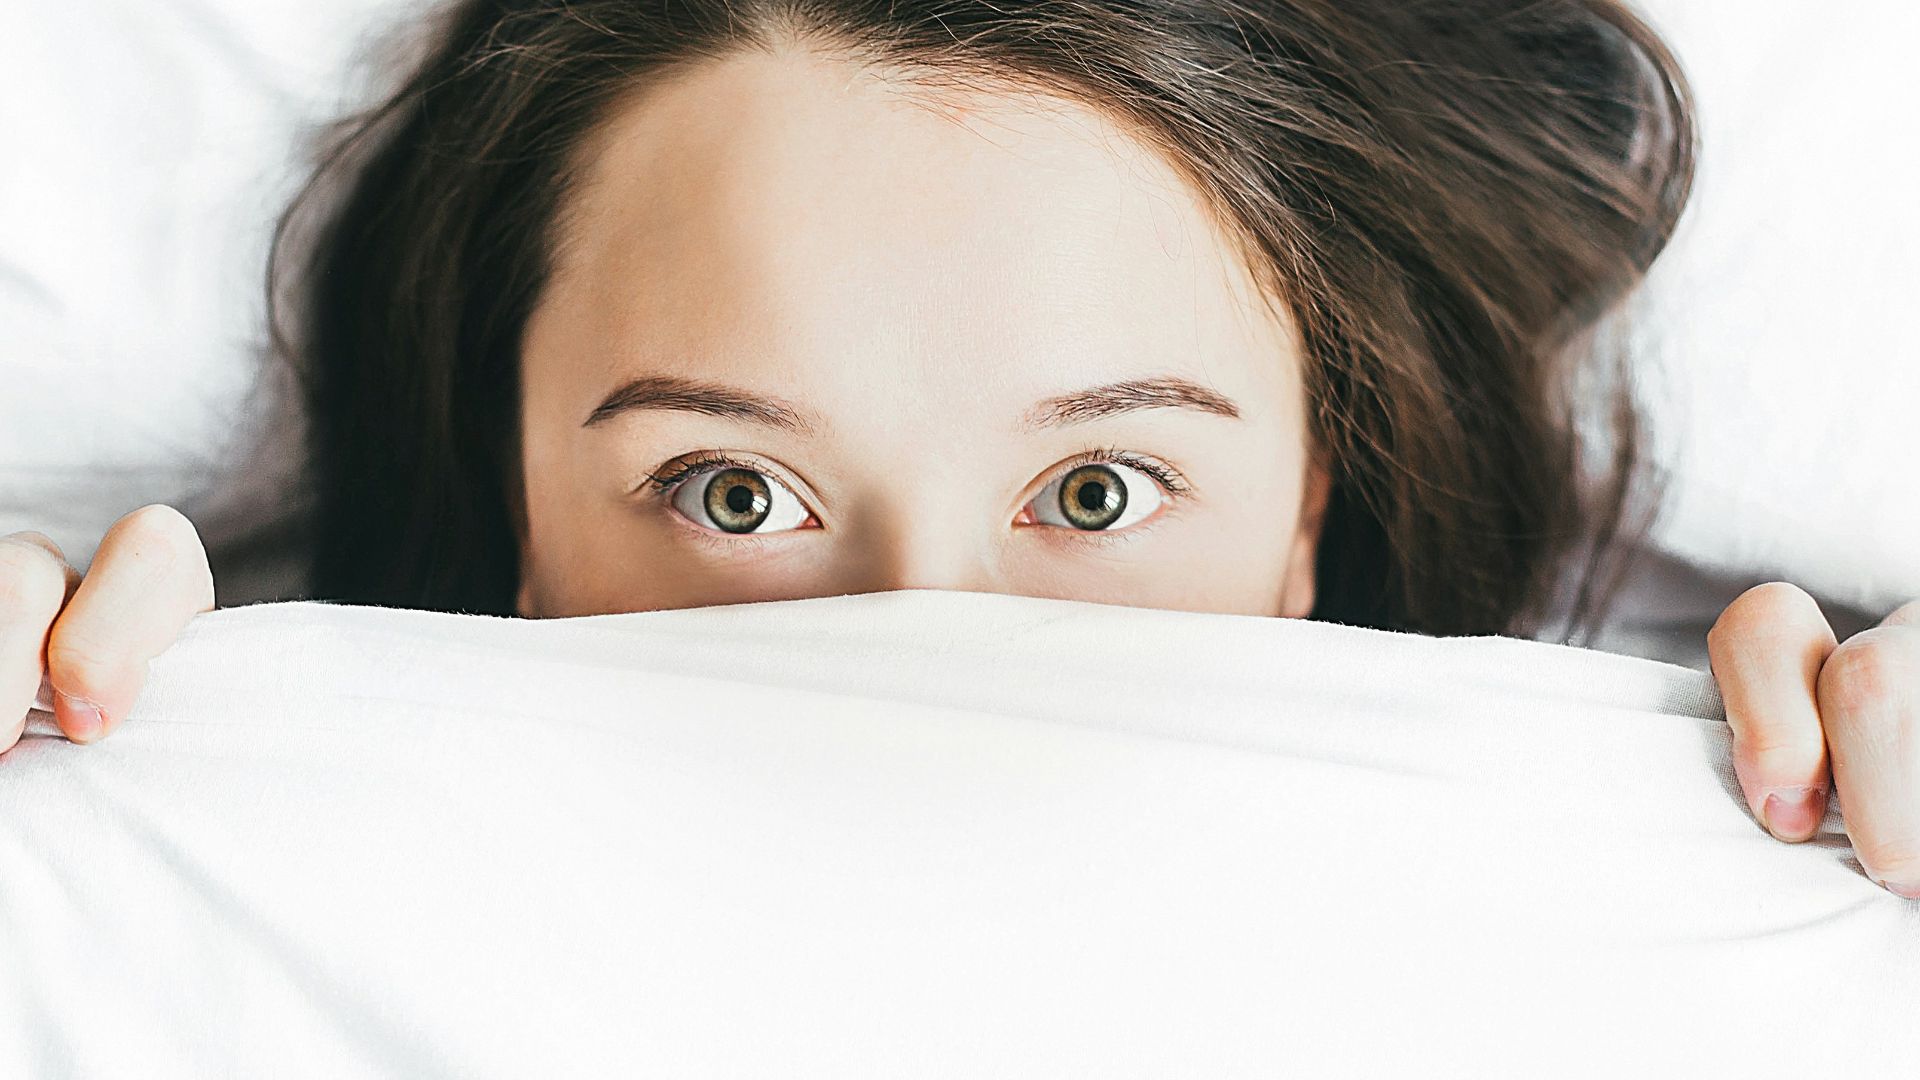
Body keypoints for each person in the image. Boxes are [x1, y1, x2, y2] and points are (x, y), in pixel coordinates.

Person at [0, 0, 1913, 897]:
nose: (921, 655)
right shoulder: (214, 847)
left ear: (1310, 511)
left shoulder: (1667, 846)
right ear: (516, 518)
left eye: (1097, 494)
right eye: (734, 495)